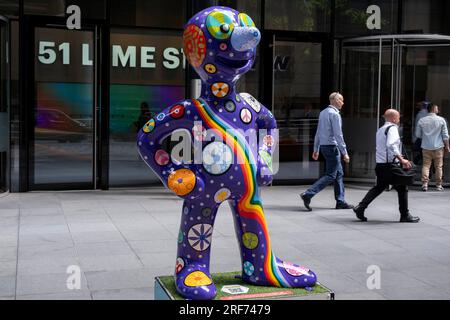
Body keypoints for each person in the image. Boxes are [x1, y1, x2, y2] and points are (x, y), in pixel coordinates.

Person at [353, 109, 420, 223]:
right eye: (398, 117)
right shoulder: (392, 128)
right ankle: (405, 215)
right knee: (402, 188)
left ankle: (361, 207)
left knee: (379, 187)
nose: (399, 120)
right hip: (390, 166)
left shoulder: (380, 129)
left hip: (381, 165)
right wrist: (401, 159)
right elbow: (391, 145)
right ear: (394, 118)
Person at [300, 92, 354, 211]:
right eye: (341, 100)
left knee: (338, 174)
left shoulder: (323, 113)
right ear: (335, 100)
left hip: (324, 147)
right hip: (332, 147)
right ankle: (308, 194)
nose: (343, 103)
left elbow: (318, 132)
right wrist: (344, 152)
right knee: (331, 175)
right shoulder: (334, 114)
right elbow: (338, 135)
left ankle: (340, 201)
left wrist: (316, 148)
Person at [415, 103, 450, 192]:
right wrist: (447, 146)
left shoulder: (422, 120)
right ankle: (438, 185)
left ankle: (424, 184)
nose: (438, 110)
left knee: (426, 166)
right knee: (438, 166)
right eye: (437, 108)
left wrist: (426, 137)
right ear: (434, 109)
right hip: (438, 147)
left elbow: (418, 135)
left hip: (426, 147)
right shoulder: (441, 120)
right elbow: (445, 135)